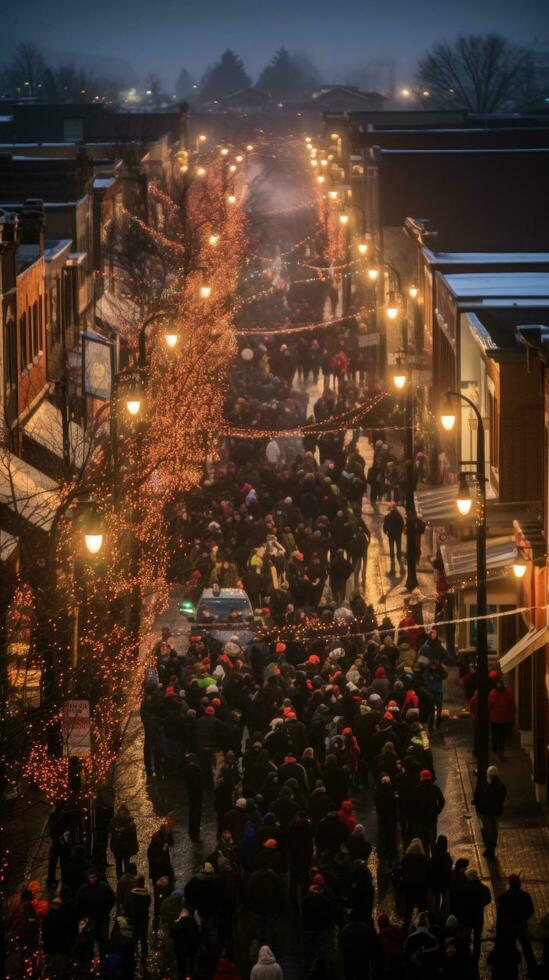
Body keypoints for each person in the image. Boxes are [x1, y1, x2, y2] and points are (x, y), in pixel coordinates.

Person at [497, 873, 538, 975]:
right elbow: (530, 910)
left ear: (510, 884)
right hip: (521, 925)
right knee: (526, 946)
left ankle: (510, 969)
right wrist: (523, 918)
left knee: (509, 947)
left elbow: (501, 916)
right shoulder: (525, 896)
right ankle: (532, 967)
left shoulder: (504, 897)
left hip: (509, 928)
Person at [76, 868, 115, 962]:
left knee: (103, 944)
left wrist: (106, 910)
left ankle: (103, 964)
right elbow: (78, 905)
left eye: (94, 877)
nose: (92, 879)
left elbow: (112, 899)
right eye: (90, 878)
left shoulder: (104, 887)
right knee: (89, 945)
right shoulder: (82, 890)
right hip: (89, 922)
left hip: (102, 920)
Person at [473, 765, 507, 858]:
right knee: (494, 829)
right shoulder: (501, 786)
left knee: (488, 830)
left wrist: (478, 808)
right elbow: (502, 798)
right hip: (496, 812)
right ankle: (492, 847)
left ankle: (490, 848)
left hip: (486, 812)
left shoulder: (485, 785)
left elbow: (478, 797)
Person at [461, 868, 491, 967]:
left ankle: (467, 957)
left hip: (467, 917)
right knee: (477, 939)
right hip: (478, 917)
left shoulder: (464, 888)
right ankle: (475, 959)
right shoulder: (483, 888)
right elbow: (488, 899)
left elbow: (460, 900)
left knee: (466, 939)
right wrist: (480, 905)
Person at [412, 769, 445, 857]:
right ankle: (434, 857)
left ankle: (426, 857)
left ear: (421, 778)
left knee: (424, 841)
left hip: (421, 820)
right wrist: (437, 811)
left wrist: (416, 815)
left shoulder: (417, 789)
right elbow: (442, 801)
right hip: (432, 818)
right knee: (432, 840)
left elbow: (413, 804)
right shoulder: (434, 788)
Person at [109, 804, 138, 879]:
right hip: (117, 848)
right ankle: (120, 881)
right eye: (122, 811)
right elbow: (111, 829)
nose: (123, 813)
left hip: (126, 848)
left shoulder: (130, 822)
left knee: (126, 865)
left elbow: (133, 834)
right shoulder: (114, 820)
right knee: (118, 866)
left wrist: (124, 829)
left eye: (124, 812)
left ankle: (126, 880)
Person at [171, 905, 200, 980]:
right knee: (191, 963)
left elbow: (173, 934)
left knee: (181, 964)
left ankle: (181, 975)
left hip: (180, 948)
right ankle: (192, 974)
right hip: (192, 947)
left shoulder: (178, 924)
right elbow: (197, 935)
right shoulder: (193, 923)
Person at [128, 873, 151, 968]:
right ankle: (143, 960)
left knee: (133, 939)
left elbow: (130, 907)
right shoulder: (146, 894)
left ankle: (132, 957)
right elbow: (148, 904)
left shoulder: (132, 893)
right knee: (143, 940)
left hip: (135, 920)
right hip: (144, 919)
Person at [488, 680, 515, 758]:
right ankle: (500, 750)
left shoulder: (492, 693)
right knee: (501, 735)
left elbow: (489, 706)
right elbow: (512, 705)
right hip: (502, 719)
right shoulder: (508, 692)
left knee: (496, 735)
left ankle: (496, 750)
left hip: (497, 719)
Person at [184, 753, 205, 842]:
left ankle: (191, 831)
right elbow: (201, 783)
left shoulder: (187, 770)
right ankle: (195, 834)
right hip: (198, 795)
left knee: (192, 813)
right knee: (197, 814)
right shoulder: (197, 770)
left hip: (191, 795)